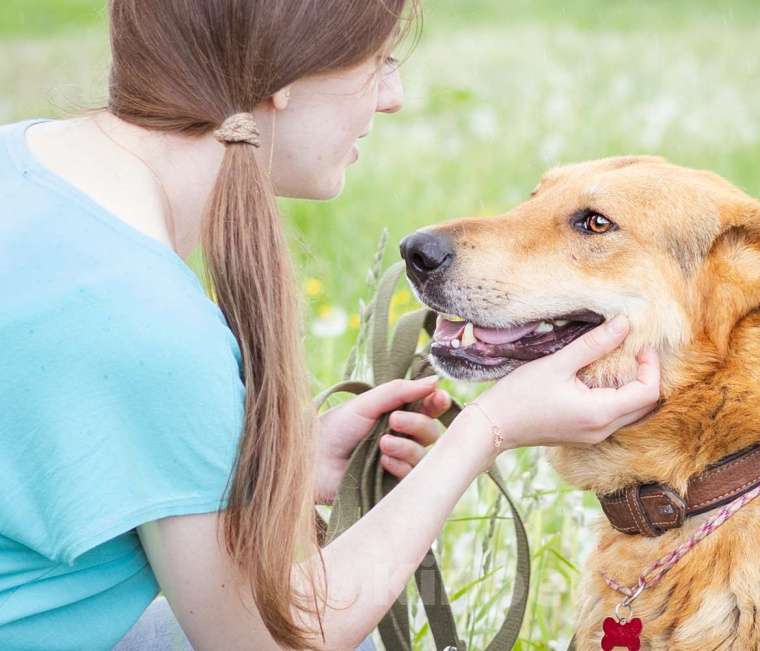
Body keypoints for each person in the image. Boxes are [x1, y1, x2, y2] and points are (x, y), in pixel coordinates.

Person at [0, 1, 661, 649]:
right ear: (286, 76)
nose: (393, 96)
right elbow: (271, 639)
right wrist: (489, 429)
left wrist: (283, 472)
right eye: (378, 61)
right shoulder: (150, 324)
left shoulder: (23, 159)